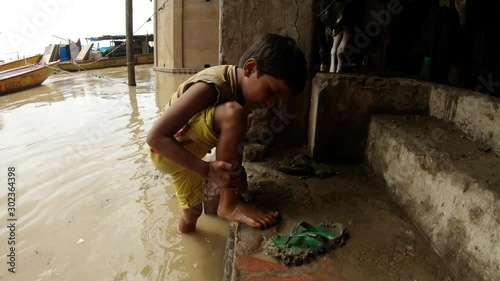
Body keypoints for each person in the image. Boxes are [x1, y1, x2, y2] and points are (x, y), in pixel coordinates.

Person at [146, 33, 307, 233]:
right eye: (271, 91)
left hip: (182, 158)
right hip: (166, 149)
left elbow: (232, 146)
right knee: (234, 114)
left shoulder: (240, 93)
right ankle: (229, 204)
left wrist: (237, 176)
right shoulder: (211, 86)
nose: (272, 103)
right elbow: (155, 137)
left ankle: (183, 244)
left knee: (193, 213)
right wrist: (207, 170)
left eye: (278, 98)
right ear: (250, 68)